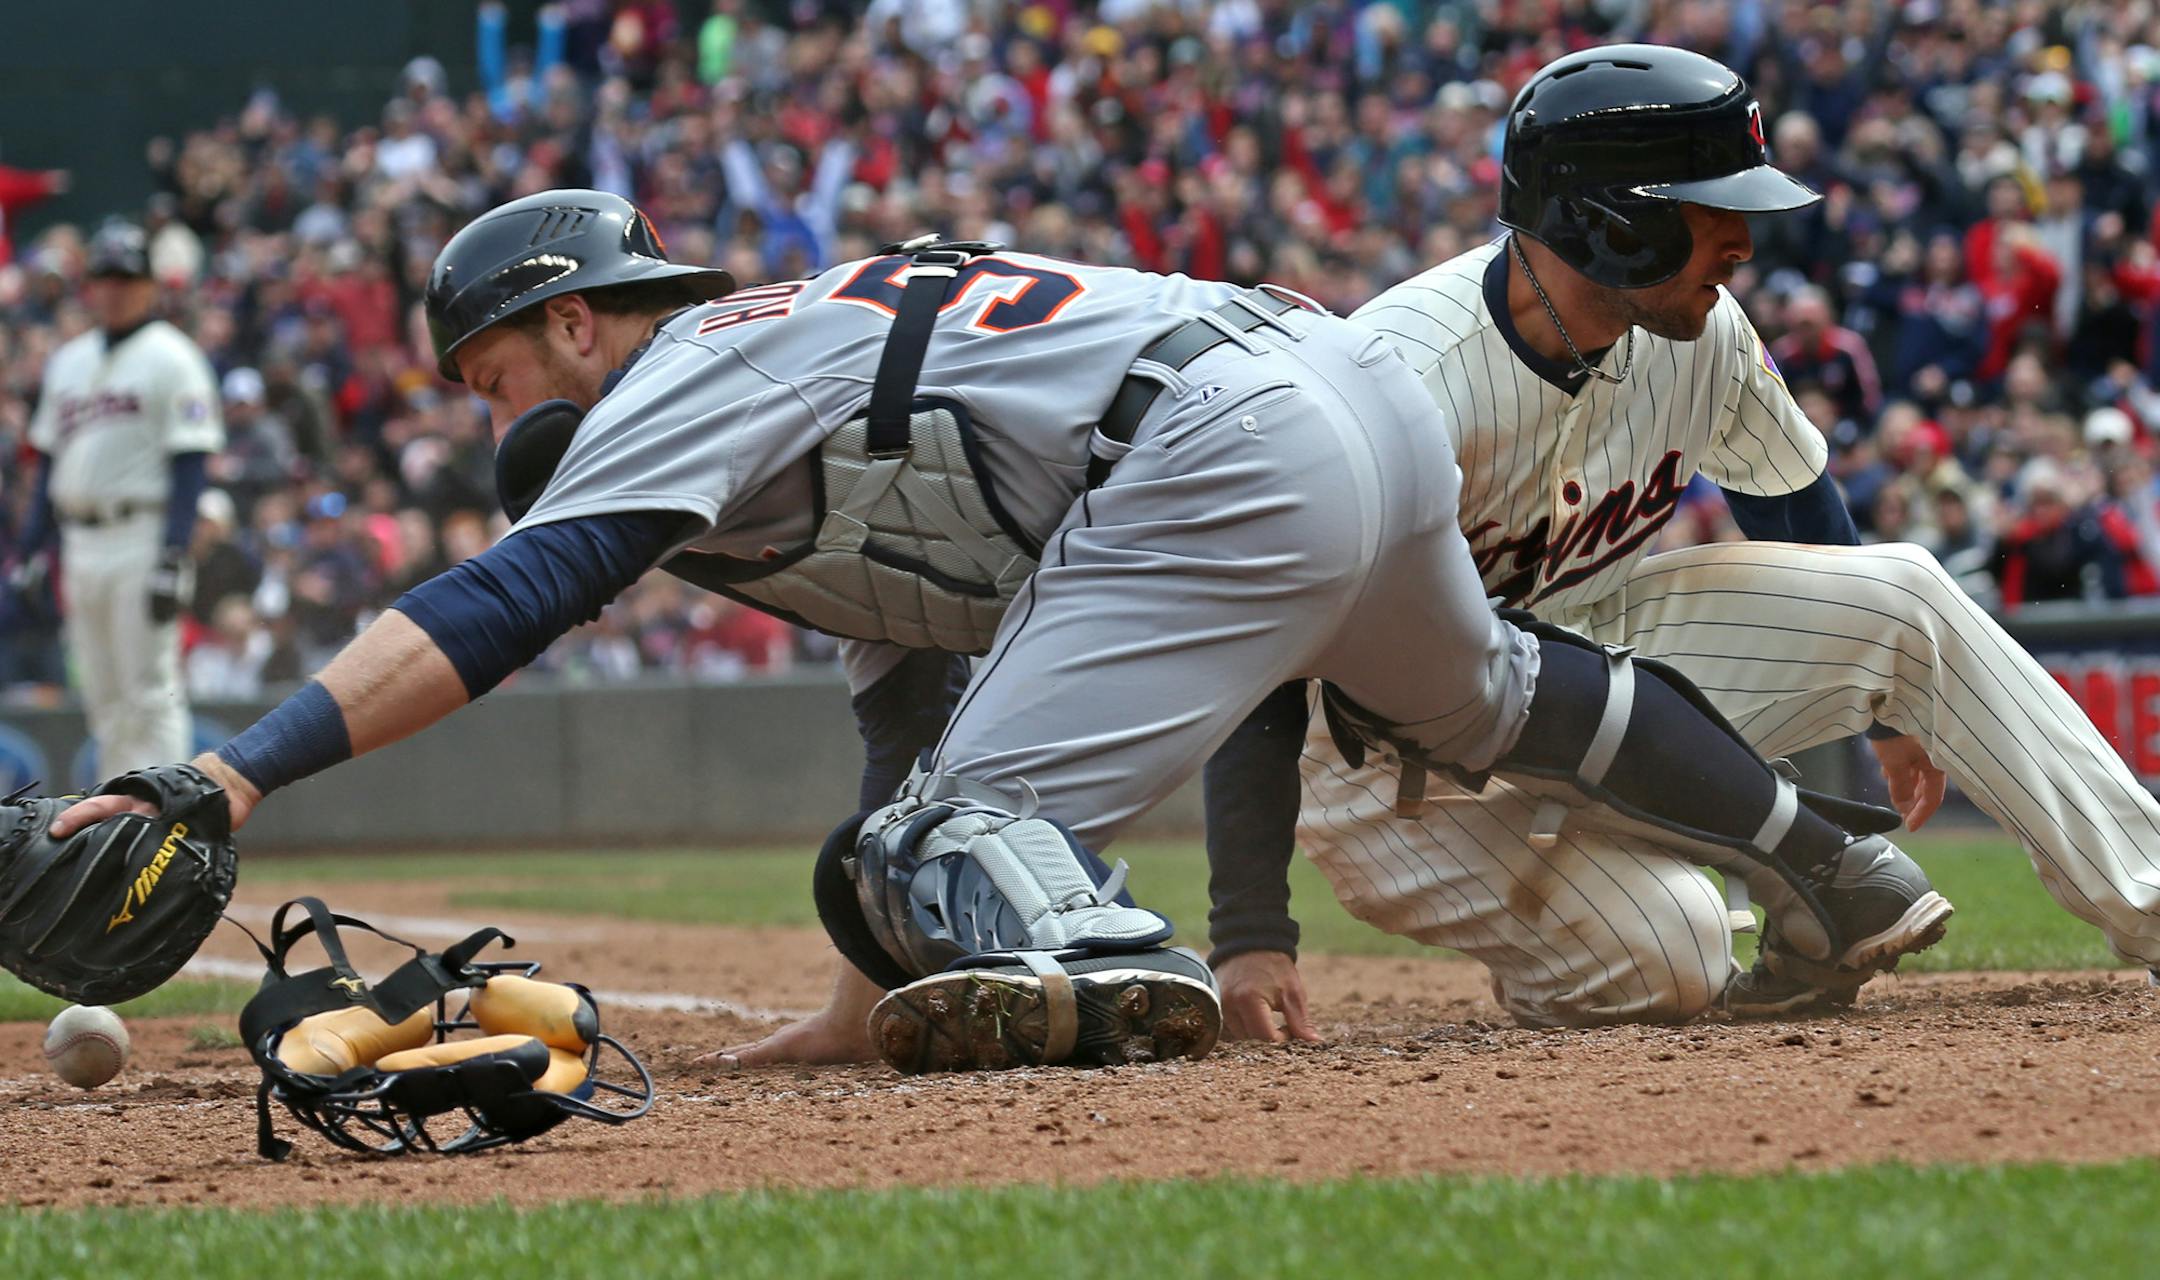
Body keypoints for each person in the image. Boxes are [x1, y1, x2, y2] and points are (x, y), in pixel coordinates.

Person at [55, 188, 1939, 1079]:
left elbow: (514, 596)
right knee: (1509, 698)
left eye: (491, 372)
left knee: (938, 844)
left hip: (1222, 435)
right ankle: (1828, 863)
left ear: (568, 327)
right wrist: (845, 1020)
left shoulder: (685, 364)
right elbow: (926, 725)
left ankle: (1122, 963)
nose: (500, 419)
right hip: (1318, 392)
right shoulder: (819, 433)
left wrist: (233, 766)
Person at [1194, 46, 2160, 1039]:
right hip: (1384, 763)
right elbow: (1268, 662)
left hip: (1594, 642)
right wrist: (1250, 930)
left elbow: (1795, 500)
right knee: (1677, 952)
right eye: (1713, 211)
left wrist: (1891, 702)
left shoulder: (1704, 331)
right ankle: (1590, 921)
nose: (1742, 241)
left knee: (1908, 593)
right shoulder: (1402, 377)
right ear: (1611, 223)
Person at [12, 221, 222, 776]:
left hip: (142, 536)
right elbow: (52, 461)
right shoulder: (69, 361)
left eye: (127, 277)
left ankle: (165, 825)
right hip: (80, 542)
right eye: (104, 277)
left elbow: (190, 460)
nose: (115, 289)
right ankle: (116, 826)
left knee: (149, 691)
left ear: (150, 285)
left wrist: (174, 553)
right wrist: (32, 549)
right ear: (89, 286)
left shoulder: (173, 357)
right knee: (103, 698)